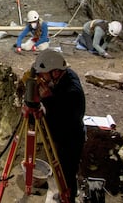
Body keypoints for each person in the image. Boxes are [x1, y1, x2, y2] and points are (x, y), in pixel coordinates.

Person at [31, 50, 86, 203]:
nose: (42, 78)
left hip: (71, 139)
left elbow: (65, 116)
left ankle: (68, 197)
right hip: (64, 135)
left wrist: (48, 99)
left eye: (44, 74)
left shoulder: (72, 92)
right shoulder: (64, 76)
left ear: (55, 72)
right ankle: (64, 193)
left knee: (67, 173)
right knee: (61, 169)